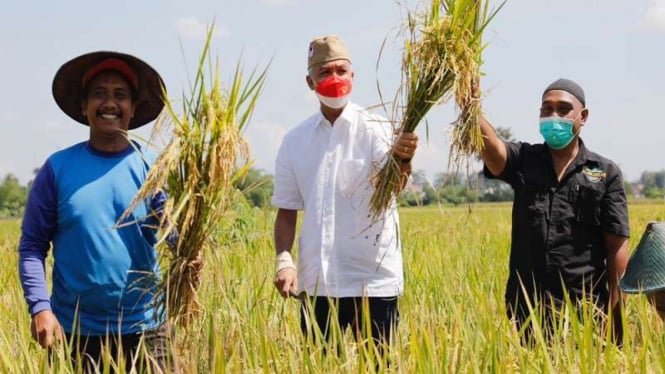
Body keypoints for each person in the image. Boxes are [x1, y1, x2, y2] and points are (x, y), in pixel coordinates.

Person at [18, 51, 177, 372]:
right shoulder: (58, 169)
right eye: (99, 94)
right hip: (75, 331)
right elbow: (32, 247)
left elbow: (174, 234)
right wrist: (40, 308)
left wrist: (189, 253)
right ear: (83, 106)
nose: (109, 103)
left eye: (120, 95)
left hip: (146, 328)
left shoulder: (154, 166)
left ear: (132, 109)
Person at [271, 35, 418, 353]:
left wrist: (403, 159)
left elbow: (395, 186)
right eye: (325, 72)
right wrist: (284, 260)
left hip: (374, 281)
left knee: (381, 366)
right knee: (319, 365)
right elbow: (286, 209)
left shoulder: (379, 129)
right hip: (318, 282)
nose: (334, 79)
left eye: (341, 71)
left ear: (353, 76)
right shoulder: (294, 141)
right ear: (310, 81)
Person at [478, 78, 630, 345]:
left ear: (583, 117)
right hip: (527, 311)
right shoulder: (524, 160)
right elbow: (494, 150)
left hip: (585, 313)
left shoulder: (604, 172)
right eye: (546, 109)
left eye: (563, 109)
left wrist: (616, 320)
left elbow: (616, 249)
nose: (553, 116)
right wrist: (472, 109)